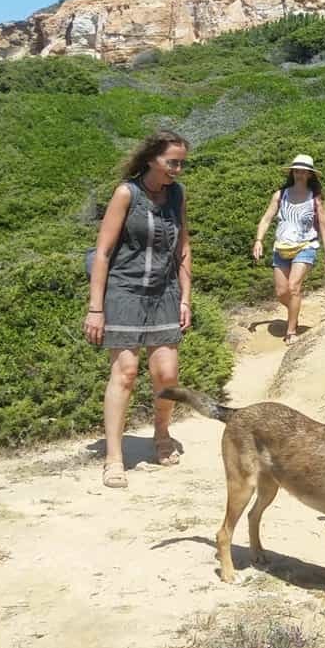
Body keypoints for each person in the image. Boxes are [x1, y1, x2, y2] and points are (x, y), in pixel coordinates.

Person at [83, 130, 192, 489]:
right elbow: (102, 253)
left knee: (167, 374)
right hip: (125, 291)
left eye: (181, 163)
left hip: (164, 293)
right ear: (151, 159)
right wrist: (95, 308)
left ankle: (161, 435)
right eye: (171, 162)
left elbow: (184, 250)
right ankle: (114, 458)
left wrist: (185, 298)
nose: (177, 169)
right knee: (126, 372)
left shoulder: (177, 195)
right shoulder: (126, 193)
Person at [251, 154, 325, 344]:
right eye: (296, 170)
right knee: (282, 292)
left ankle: (291, 331)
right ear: (292, 172)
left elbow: (324, 226)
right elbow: (266, 219)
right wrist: (258, 240)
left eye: (303, 171)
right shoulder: (281, 195)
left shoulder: (316, 198)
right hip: (281, 247)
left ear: (310, 174)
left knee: (293, 287)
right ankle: (294, 312)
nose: (299, 174)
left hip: (306, 246)